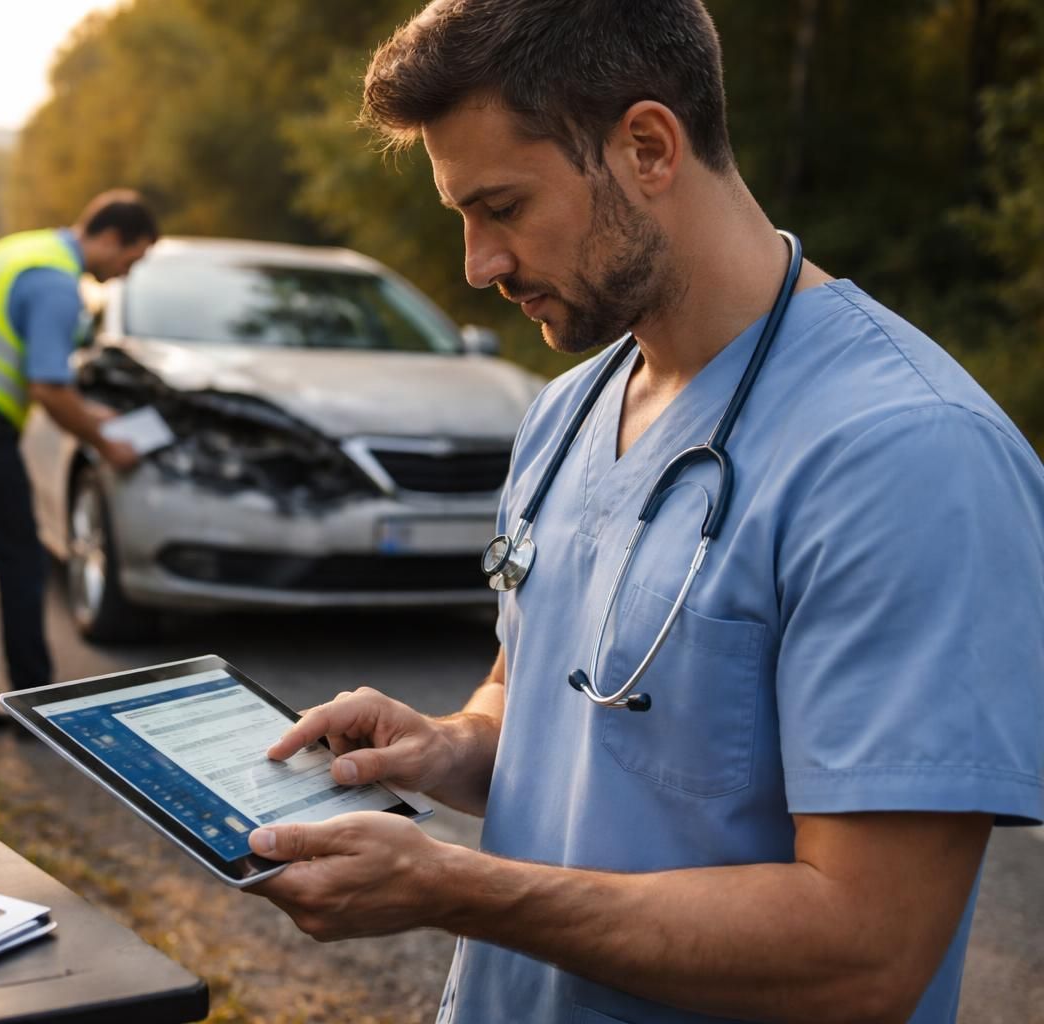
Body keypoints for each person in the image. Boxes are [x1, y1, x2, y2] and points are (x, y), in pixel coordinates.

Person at [245, 3, 1044, 1022]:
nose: (477, 266)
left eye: (501, 206)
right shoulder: (565, 409)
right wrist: (451, 745)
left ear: (649, 147)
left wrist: (453, 887)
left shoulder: (909, 457)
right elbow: (535, 691)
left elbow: (866, 950)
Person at [0, 190, 154, 732]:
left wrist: (91, 412)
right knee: (23, 562)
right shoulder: (56, 283)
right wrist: (106, 441)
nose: (122, 276)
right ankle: (38, 713)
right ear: (111, 238)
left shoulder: (19, 249)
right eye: (128, 260)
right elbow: (47, 386)